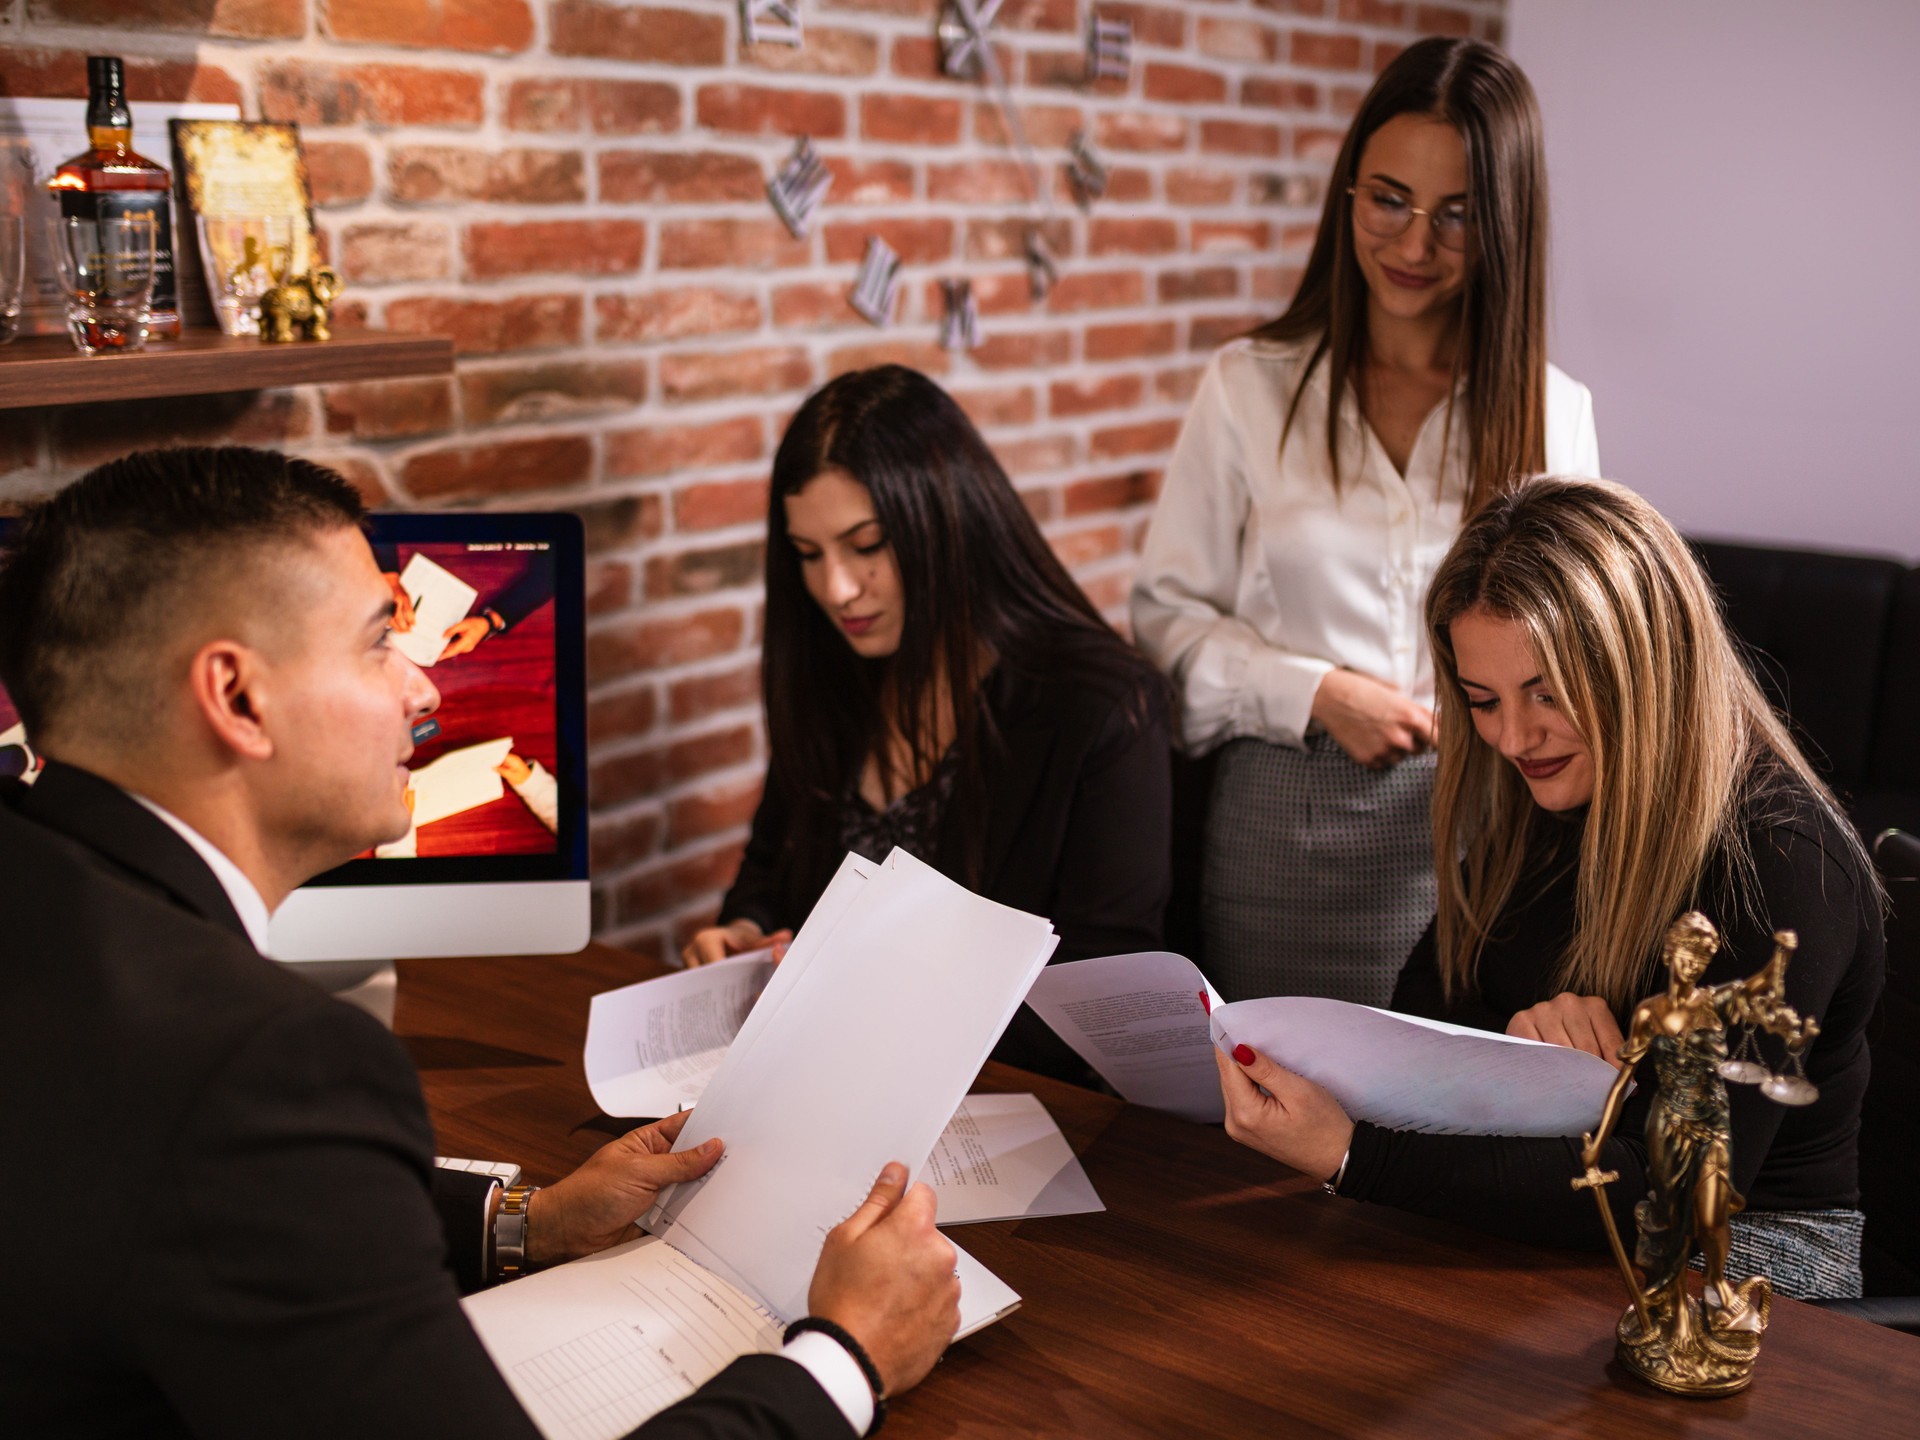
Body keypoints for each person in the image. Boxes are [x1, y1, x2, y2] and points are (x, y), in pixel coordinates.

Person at [0, 446, 959, 1437]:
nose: (425, 693)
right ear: (239, 698)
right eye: (379, 644)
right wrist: (846, 1358)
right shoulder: (267, 1067)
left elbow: (197, 1205)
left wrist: (520, 1224)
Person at [1214, 476, 1885, 1299]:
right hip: (1555, 1218)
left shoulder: (1783, 861)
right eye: (1482, 700)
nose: (1514, 737)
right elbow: (1422, 1026)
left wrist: (1355, 1155)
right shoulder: (1539, 799)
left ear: (1645, 667)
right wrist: (1527, 1058)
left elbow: (1671, 1196)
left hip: (1747, 1269)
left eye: (1548, 692)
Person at [1131, 36, 1601, 1007]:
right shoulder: (1249, 388)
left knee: (1439, 1134)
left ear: (1506, 224)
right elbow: (1165, 621)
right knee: (1273, 1115)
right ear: (1348, 193)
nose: (1415, 245)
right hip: (1283, 831)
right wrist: (1314, 691)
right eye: (1389, 199)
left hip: (1488, 835)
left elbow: (1585, 661)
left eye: (1458, 215)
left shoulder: (1554, 413)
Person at [683, 366, 1172, 1082]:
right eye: (809, 556)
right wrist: (745, 935)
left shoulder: (1098, 705)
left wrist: (866, 998)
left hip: (1012, 1106)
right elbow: (768, 874)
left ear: (946, 522)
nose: (837, 589)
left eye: (868, 543)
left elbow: (1105, 996)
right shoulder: (836, 676)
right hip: (821, 1081)